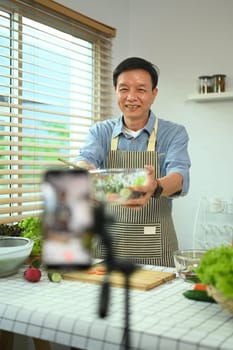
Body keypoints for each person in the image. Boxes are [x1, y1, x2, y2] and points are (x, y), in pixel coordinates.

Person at [74, 57, 191, 267]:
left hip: (156, 245)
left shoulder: (174, 133)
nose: (131, 97)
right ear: (115, 91)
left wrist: (155, 186)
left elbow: (179, 176)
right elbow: (85, 159)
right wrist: (85, 172)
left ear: (154, 93)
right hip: (107, 245)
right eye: (124, 89)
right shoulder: (100, 132)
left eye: (141, 89)